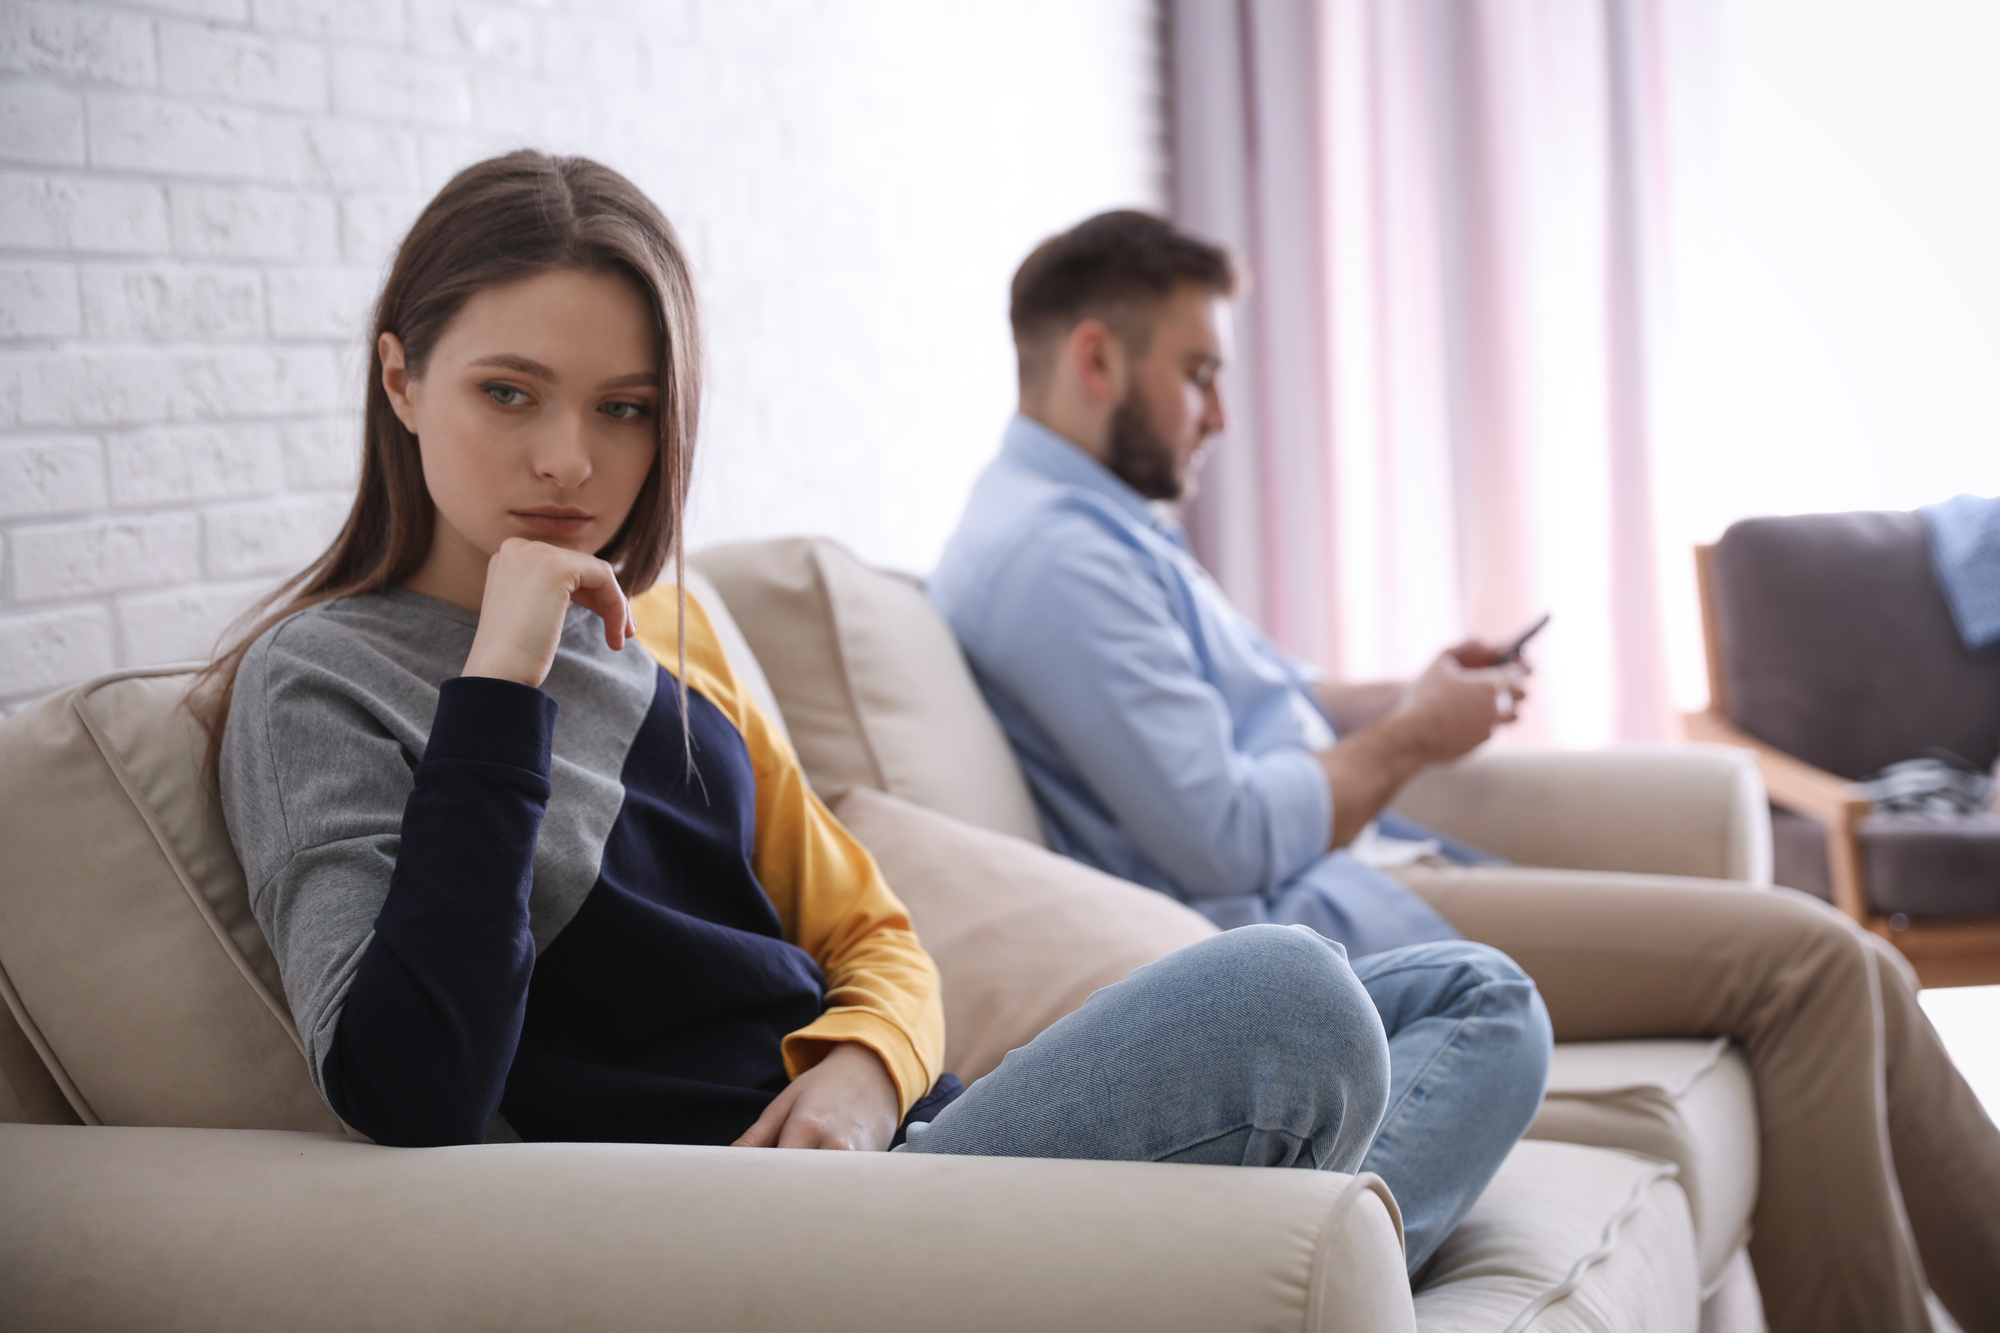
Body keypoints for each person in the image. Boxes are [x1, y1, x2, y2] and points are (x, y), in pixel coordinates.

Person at [197, 152, 1542, 1283]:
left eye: (626, 411)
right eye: (509, 393)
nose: (570, 459)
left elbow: (875, 939)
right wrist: (499, 678)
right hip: (763, 1236)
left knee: (1480, 999)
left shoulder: (672, 629)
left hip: (897, 1151)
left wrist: (866, 1068)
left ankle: (1257, 1298)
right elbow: (411, 1087)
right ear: (398, 381)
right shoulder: (318, 682)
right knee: (1293, 994)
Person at [929, 209, 2000, 1333]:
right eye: (1199, 374)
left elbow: (1265, 697)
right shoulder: (1054, 557)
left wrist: (1413, 692)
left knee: (1858, 975)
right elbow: (1226, 835)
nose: (1220, 414)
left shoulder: (1095, 525)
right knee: (1818, 964)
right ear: (1096, 357)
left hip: (1343, 881)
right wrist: (1413, 740)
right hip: (1301, 915)